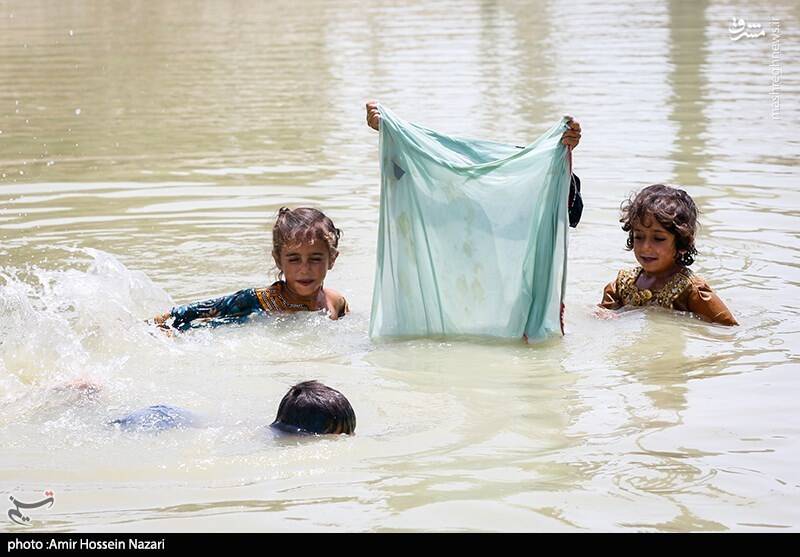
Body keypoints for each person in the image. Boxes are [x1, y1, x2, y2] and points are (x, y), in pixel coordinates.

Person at [365, 101, 585, 227]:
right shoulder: (442, 207)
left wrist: (559, 157)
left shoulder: (519, 214)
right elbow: (404, 181)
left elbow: (571, 214)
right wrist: (390, 134)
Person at [153, 207, 349, 331]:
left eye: (315, 259)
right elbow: (189, 313)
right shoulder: (257, 301)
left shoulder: (336, 302)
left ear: (332, 259)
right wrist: (160, 328)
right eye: (294, 259)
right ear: (278, 260)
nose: (304, 269)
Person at [598, 184, 737, 325]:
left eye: (658, 239)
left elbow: (727, 328)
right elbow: (603, 315)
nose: (645, 247)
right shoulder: (622, 285)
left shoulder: (691, 291)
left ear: (681, 243)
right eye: (639, 237)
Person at [110, 381, 356, 435]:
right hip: (156, 420)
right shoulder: (267, 444)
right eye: (341, 434)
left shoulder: (271, 432)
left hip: (166, 414)